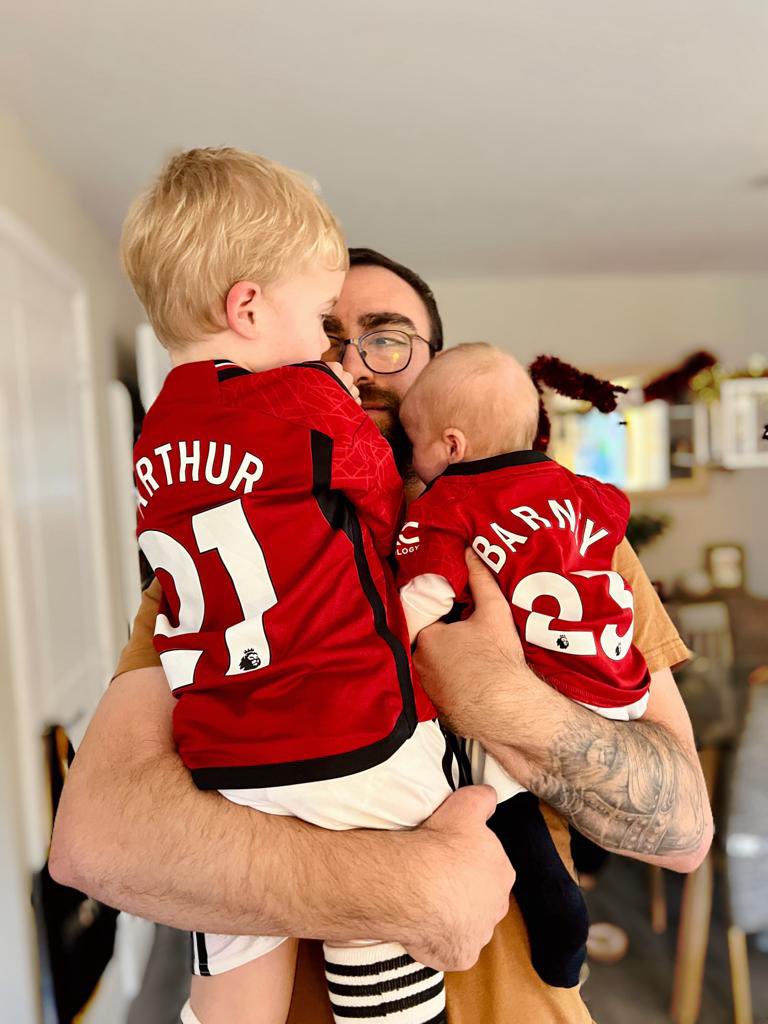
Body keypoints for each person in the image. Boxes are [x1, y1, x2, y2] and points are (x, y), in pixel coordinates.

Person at [50, 246, 713, 1024]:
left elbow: (682, 830)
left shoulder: (568, 541)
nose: (353, 364)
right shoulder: (222, 557)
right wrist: (410, 886)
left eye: (387, 339)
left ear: (437, 369)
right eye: (325, 333)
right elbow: (98, 842)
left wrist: (493, 693)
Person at [123, 146, 459, 1024]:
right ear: (247, 307)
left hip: (226, 761)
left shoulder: (156, 435)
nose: (336, 352)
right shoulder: (305, 398)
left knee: (230, 945)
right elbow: (379, 511)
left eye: (383, 340)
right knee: (412, 878)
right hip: (354, 738)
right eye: (323, 321)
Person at [396, 342, 655, 987]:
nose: (412, 459)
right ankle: (595, 846)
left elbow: (426, 596)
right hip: (618, 687)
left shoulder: (450, 504)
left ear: (451, 446)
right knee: (604, 771)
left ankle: (558, 908)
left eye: (415, 444)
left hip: (538, 684)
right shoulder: (585, 493)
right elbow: (611, 519)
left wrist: (392, 637)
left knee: (494, 788)